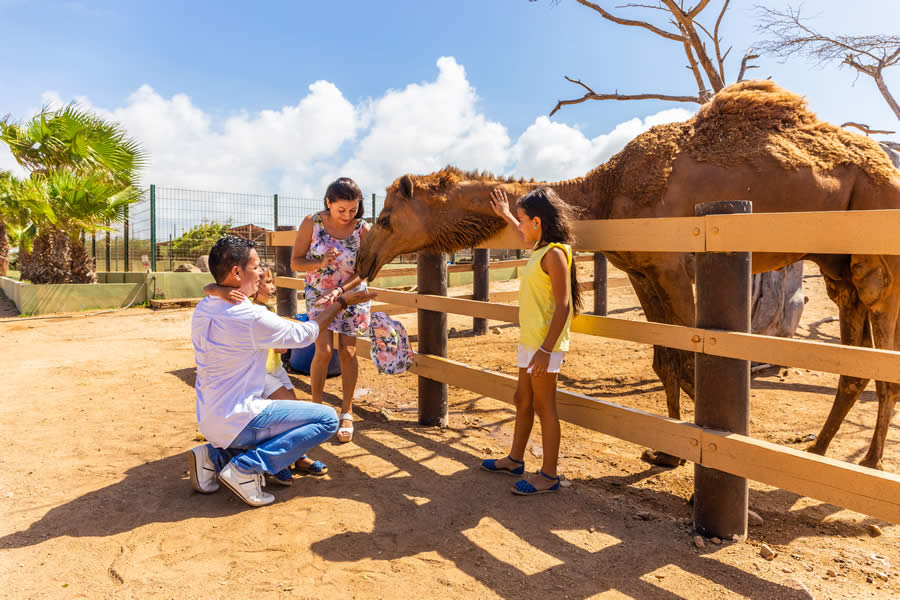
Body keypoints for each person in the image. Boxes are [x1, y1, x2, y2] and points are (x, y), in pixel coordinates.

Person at [188, 236, 376, 507]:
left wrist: (215, 288)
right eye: (256, 266)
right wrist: (342, 302)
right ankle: (246, 468)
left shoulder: (205, 306)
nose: (262, 272)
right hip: (238, 419)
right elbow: (306, 334)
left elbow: (210, 289)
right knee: (326, 419)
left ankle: (213, 457)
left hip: (209, 418)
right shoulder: (249, 316)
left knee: (285, 411)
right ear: (237, 272)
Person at [480, 187, 583, 495]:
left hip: (543, 346)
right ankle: (514, 458)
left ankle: (549, 475)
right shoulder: (541, 250)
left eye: (524, 220)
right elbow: (524, 236)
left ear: (538, 222)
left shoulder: (554, 255)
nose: (521, 228)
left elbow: (564, 305)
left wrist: (545, 350)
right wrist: (508, 216)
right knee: (522, 399)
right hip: (531, 342)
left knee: (543, 405)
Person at [291, 177, 371, 443]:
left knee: (348, 351)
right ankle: (316, 410)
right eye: (341, 210)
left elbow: (365, 271)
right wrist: (320, 261)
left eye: (353, 209)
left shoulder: (363, 229)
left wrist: (342, 291)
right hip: (319, 294)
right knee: (323, 351)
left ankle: (346, 412)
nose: (348, 215)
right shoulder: (312, 223)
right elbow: (296, 262)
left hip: (351, 293)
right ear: (328, 202)